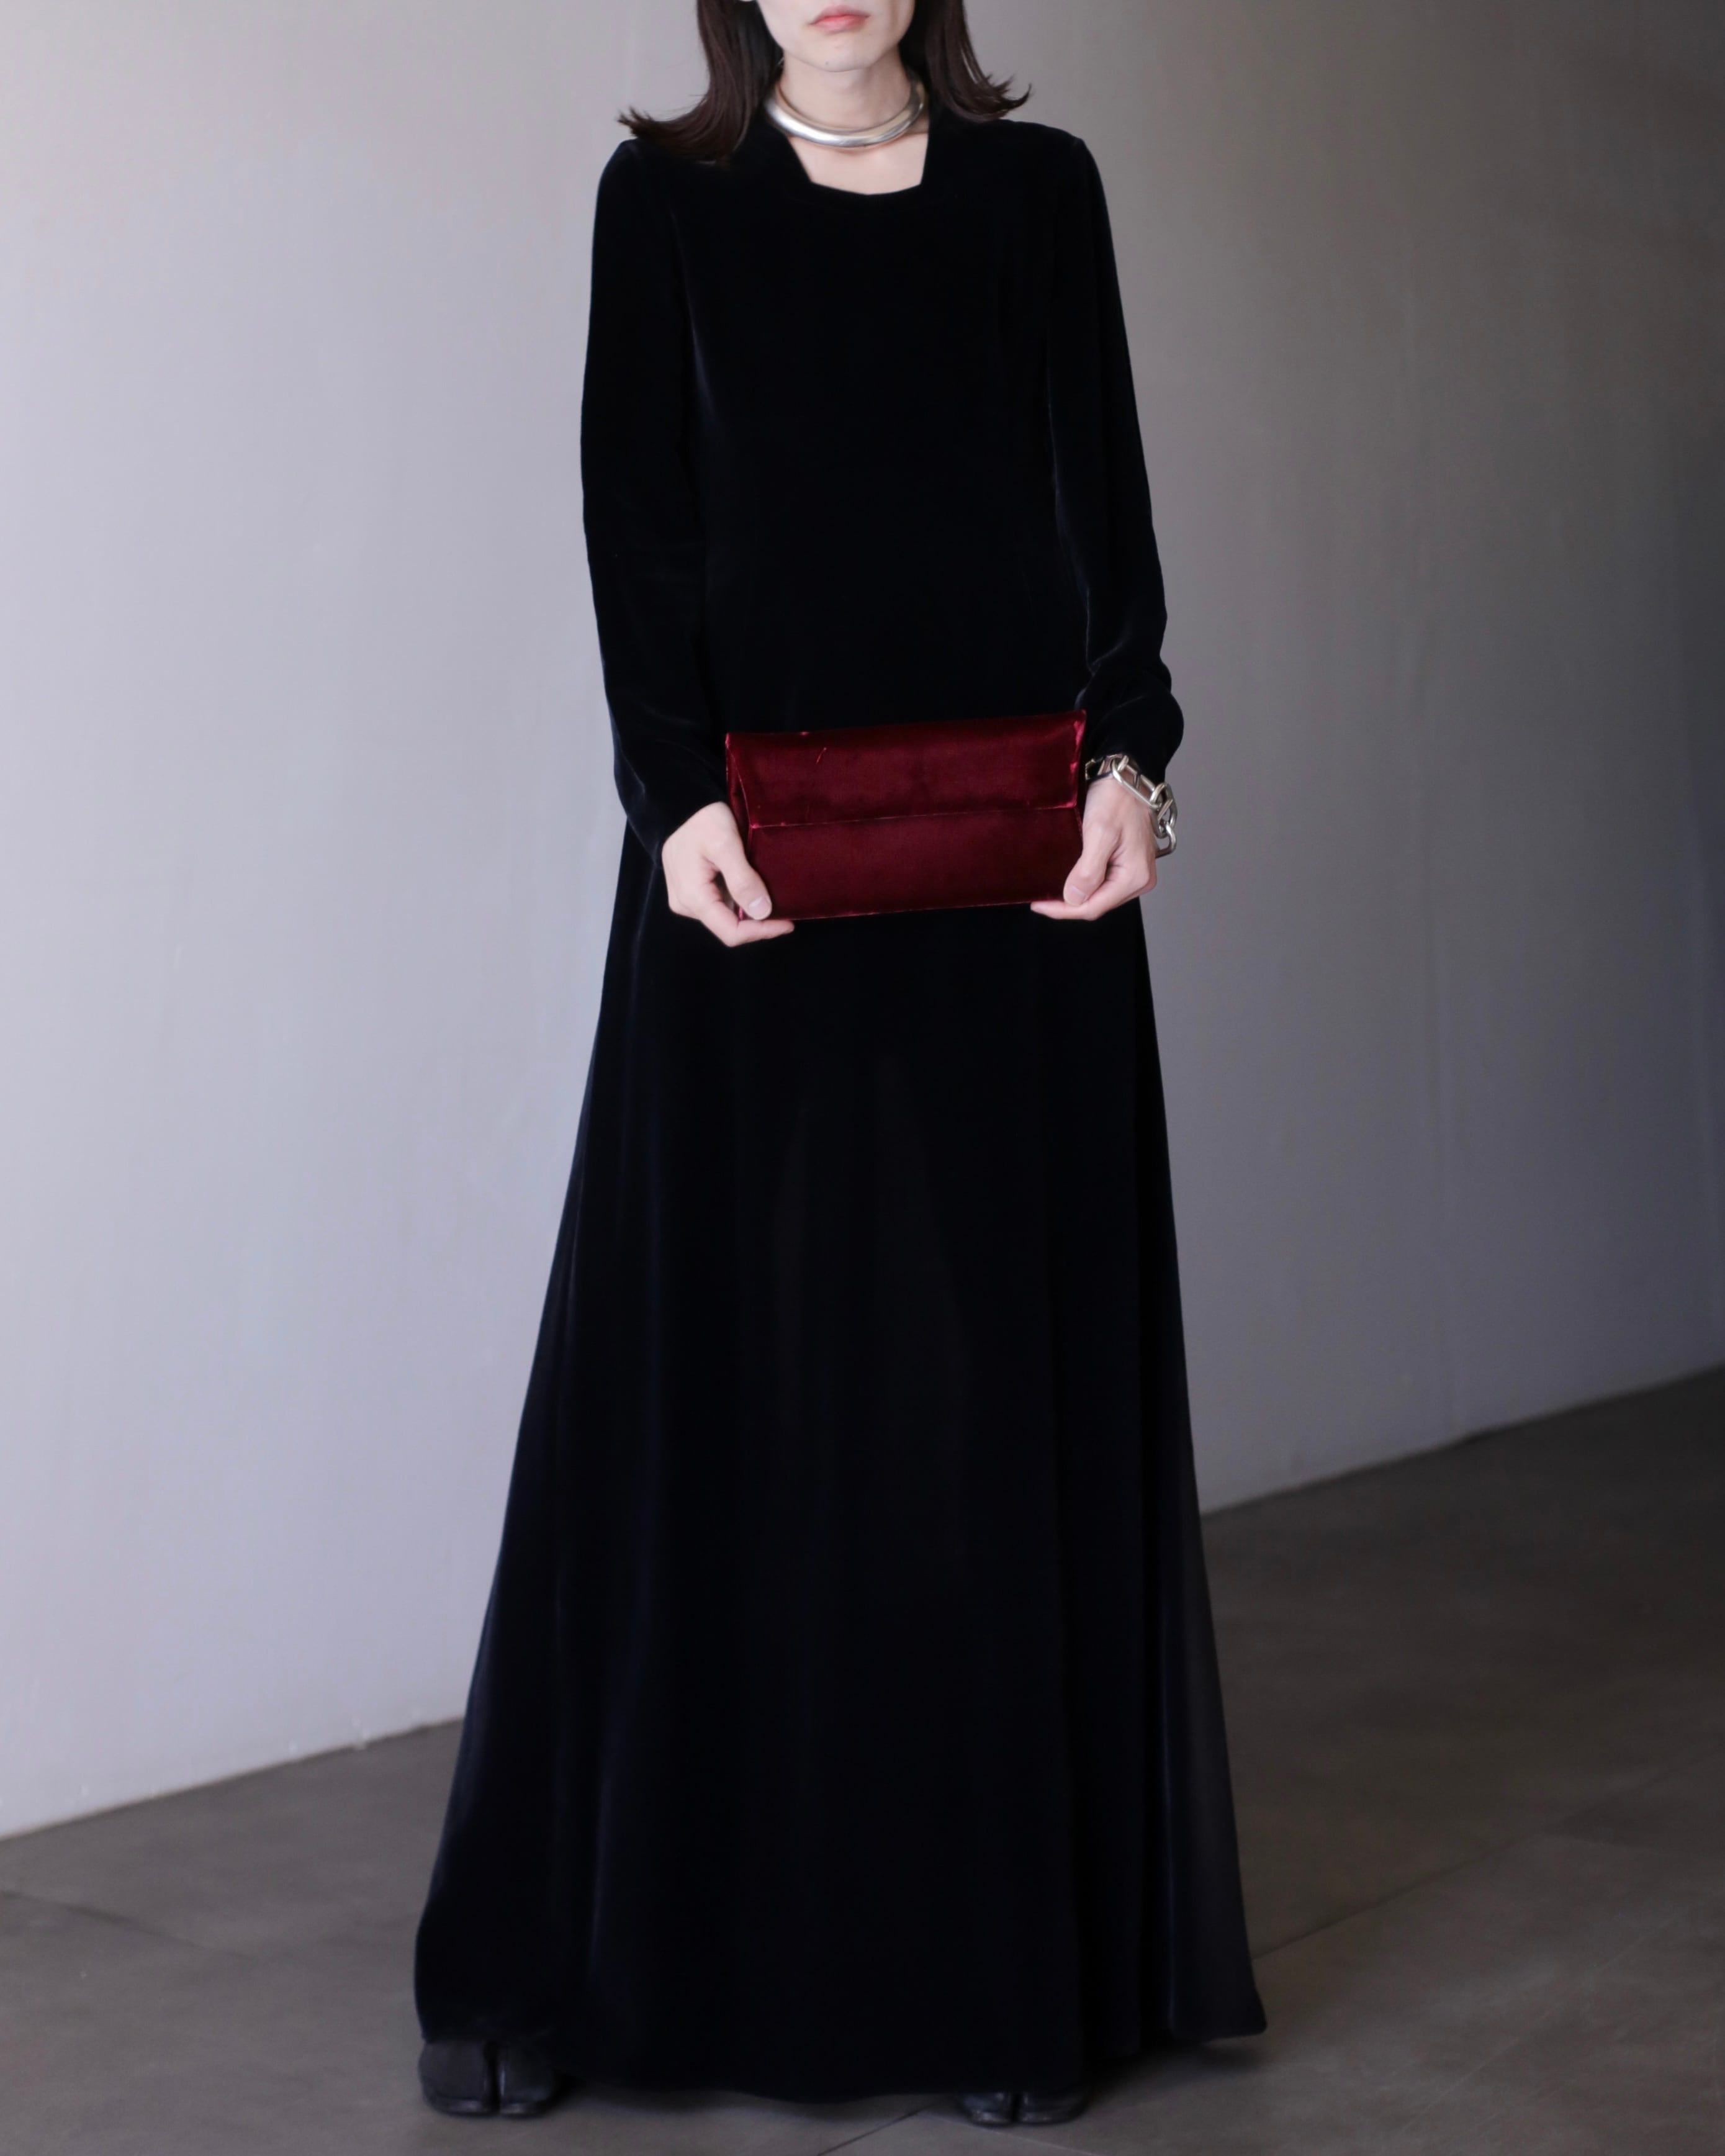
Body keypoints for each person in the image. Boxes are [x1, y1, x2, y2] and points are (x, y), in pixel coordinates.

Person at [413, 0, 1264, 2129]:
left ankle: (994, 1967)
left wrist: (1135, 765)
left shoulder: (1036, 193)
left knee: (986, 1393)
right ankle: (600, 1944)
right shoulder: (667, 202)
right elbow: (639, 527)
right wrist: (672, 798)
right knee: (704, 1375)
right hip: (749, 873)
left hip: (1011, 867)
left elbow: (1106, 516)